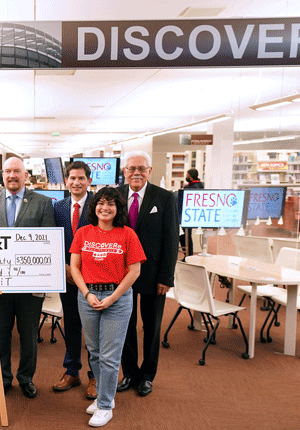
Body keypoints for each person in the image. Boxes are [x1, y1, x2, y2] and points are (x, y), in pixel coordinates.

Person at [0, 156, 55, 399]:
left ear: (26, 176)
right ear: (2, 175)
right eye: (7, 171)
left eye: (17, 171)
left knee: (28, 334)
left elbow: (49, 244)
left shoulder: (43, 203)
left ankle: (26, 378)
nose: (12, 175)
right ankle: (2, 379)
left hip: (30, 283)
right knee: (0, 333)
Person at [71, 186, 144, 427]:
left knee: (111, 357)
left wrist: (112, 298)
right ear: (95, 207)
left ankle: (104, 405)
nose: (105, 208)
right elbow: (75, 267)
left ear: (117, 208)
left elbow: (135, 271)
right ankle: (106, 396)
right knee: (94, 352)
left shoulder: (127, 234)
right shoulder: (83, 232)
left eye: (111, 204)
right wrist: (86, 293)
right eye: (101, 203)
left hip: (118, 298)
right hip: (88, 296)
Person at [117, 150, 178, 397]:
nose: (136, 173)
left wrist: (167, 277)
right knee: (125, 325)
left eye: (141, 168)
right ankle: (130, 372)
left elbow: (172, 239)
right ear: (124, 172)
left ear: (150, 171)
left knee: (152, 327)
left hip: (153, 274)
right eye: (131, 169)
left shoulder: (164, 198)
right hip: (121, 274)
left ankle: (148, 375)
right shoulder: (116, 196)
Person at [51, 161, 97, 399]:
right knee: (71, 324)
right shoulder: (58, 207)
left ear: (89, 181)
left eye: (81, 178)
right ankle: (71, 371)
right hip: (67, 276)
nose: (76, 182)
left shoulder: (99, 206)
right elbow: (52, 240)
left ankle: (94, 375)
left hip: (93, 278)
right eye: (72, 178)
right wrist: (65, 266)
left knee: (93, 328)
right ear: (66, 181)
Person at [179, 168, 203, 257]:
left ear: (191, 176)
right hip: (188, 214)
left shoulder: (195, 187)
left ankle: (188, 255)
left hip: (188, 215)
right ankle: (188, 255)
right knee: (186, 236)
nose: (186, 177)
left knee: (185, 236)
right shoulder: (196, 185)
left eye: (187, 175)